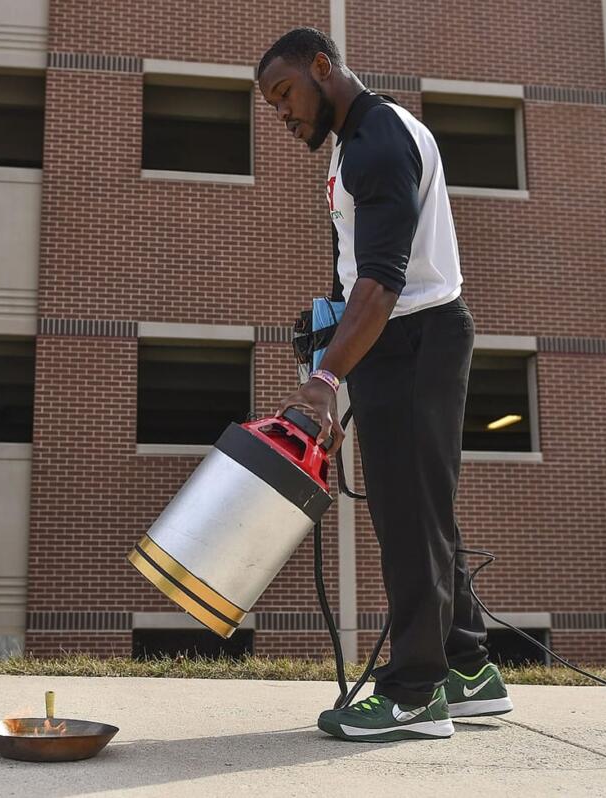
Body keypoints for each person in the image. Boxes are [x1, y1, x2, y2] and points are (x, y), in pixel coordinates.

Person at [258, 28, 513, 741]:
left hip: (413, 340)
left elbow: (380, 282)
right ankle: (468, 671)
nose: (282, 114)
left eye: (285, 94)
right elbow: (360, 280)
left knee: (406, 519)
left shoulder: (375, 143)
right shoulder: (362, 138)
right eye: (272, 105)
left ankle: (414, 692)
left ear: (321, 66)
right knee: (426, 513)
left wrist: (325, 382)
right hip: (399, 340)